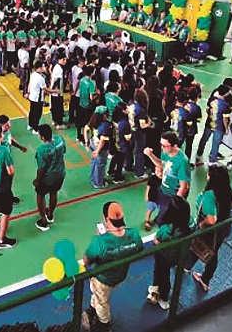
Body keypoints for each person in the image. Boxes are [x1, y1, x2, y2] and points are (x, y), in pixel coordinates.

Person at [82, 201, 143, 331]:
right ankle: (93, 309)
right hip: (121, 275)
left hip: (102, 279)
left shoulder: (100, 242)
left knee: (102, 303)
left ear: (106, 219)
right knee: (99, 297)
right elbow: (139, 249)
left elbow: (87, 260)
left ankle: (104, 325)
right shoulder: (134, 235)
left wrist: (100, 238)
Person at [191, 165, 232, 293]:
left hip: (209, 231)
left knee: (197, 247)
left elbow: (211, 220)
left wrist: (202, 223)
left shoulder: (209, 195)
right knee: (213, 252)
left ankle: (186, 267)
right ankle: (205, 279)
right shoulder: (230, 191)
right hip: (224, 229)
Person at [147, 195, 194, 310]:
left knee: (162, 274)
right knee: (161, 272)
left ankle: (163, 297)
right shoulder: (191, 222)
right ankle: (155, 288)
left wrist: (156, 240)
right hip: (180, 254)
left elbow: (157, 240)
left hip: (164, 255)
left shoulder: (167, 229)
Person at [145, 131, 190, 225]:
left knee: (168, 219)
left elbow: (183, 186)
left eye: (165, 145)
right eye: (161, 144)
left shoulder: (182, 161)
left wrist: (175, 203)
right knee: (162, 210)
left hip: (173, 194)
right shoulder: (165, 152)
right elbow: (162, 164)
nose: (162, 147)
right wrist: (150, 155)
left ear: (174, 145)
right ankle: (159, 218)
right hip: (164, 189)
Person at [33, 124, 66, 232]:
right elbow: (63, 151)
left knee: (40, 195)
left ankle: (43, 220)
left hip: (48, 178)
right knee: (54, 193)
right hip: (60, 174)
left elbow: (41, 168)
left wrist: (37, 180)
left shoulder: (42, 150)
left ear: (42, 137)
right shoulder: (59, 140)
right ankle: (50, 214)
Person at [85, 107, 111, 190]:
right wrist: (98, 151)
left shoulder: (93, 120)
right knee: (100, 164)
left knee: (94, 162)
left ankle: (93, 178)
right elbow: (103, 140)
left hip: (93, 143)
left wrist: (87, 142)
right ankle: (98, 183)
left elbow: (86, 129)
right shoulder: (105, 125)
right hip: (101, 148)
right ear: (104, 115)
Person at [26, 60, 48, 134]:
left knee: (32, 112)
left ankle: (30, 125)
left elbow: (29, 84)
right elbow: (45, 89)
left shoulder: (33, 74)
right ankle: (35, 129)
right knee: (37, 114)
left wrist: (28, 92)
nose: (44, 68)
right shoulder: (41, 78)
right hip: (38, 99)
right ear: (39, 68)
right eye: (42, 66)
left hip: (32, 96)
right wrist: (55, 91)